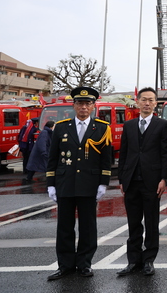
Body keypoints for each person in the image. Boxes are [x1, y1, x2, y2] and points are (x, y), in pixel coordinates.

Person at [46, 86, 112, 280]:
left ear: (93, 106)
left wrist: (103, 183)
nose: (84, 107)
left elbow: (106, 159)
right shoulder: (61, 127)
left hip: (89, 184)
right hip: (65, 182)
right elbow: (53, 158)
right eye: (80, 103)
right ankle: (65, 265)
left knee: (87, 226)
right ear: (73, 106)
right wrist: (51, 183)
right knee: (64, 226)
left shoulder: (102, 128)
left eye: (88, 103)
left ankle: (84, 263)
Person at [116, 87, 167, 276]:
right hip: (131, 181)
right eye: (144, 100)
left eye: (151, 100)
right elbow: (123, 153)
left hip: (152, 181)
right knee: (133, 223)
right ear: (137, 102)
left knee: (151, 222)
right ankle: (133, 260)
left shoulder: (162, 124)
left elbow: (165, 154)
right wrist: (122, 177)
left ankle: (148, 260)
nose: (147, 103)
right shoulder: (129, 125)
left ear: (156, 103)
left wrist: (164, 178)